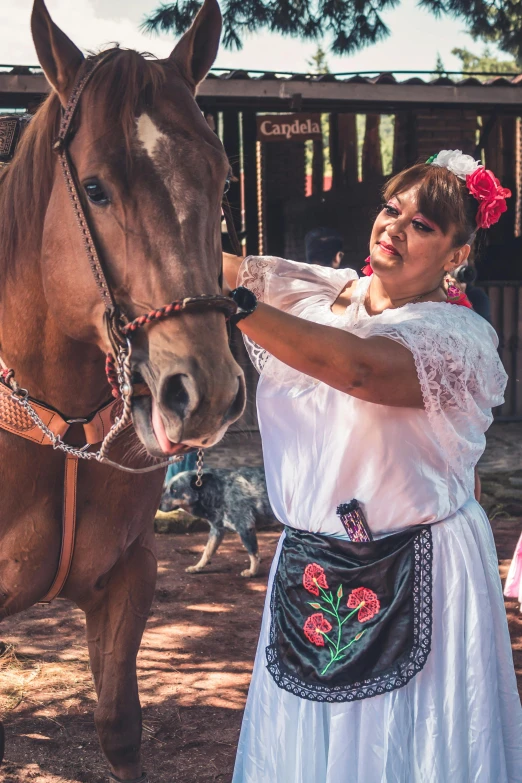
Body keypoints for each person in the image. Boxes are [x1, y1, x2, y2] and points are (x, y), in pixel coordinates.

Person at [224, 151, 522, 783]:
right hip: (309, 561)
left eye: (424, 225)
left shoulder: (457, 338)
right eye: (393, 209)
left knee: (408, 740)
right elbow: (201, 266)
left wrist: (231, 305)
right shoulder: (322, 294)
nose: (395, 227)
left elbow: (356, 368)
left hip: (421, 564)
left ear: (456, 255)